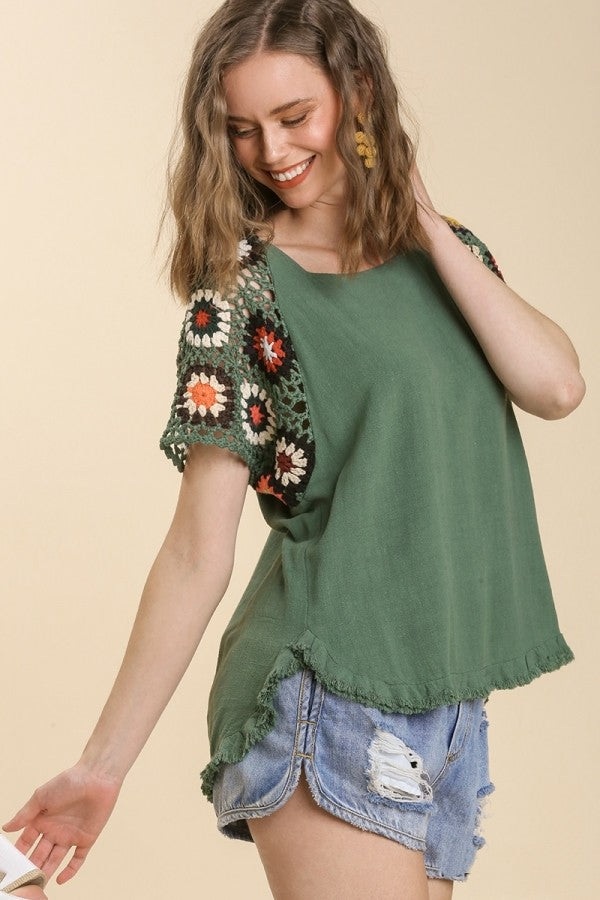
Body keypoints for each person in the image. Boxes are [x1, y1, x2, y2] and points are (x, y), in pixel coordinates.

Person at [3, 1, 585, 897]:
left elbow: (557, 387)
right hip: (329, 692)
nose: (270, 152)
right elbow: (197, 551)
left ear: (358, 96)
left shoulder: (450, 257)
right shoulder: (242, 294)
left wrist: (423, 218)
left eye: (293, 116)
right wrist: (100, 768)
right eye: (242, 129)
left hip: (444, 704)